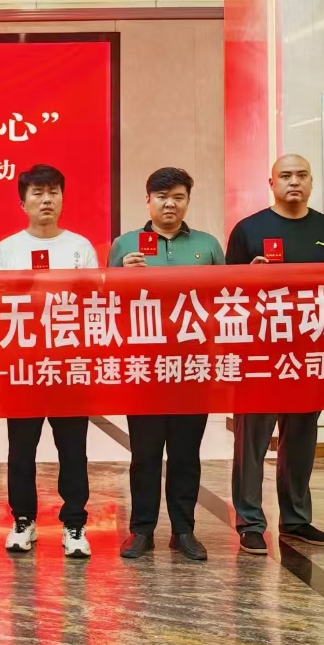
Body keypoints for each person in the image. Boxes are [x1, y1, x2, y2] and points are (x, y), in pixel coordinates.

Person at [225, 154, 324, 555]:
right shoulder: (249, 229)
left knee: (301, 438)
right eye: (286, 175)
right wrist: (249, 277)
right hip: (259, 352)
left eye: (302, 175)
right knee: (252, 442)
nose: (294, 182)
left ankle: (295, 519)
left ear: (311, 182)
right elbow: (226, 293)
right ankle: (250, 521)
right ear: (271, 183)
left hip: (308, 351)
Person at [108, 168, 224, 562]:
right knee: (144, 454)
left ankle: (183, 530)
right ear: (148, 201)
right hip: (144, 368)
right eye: (161, 197)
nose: (170, 204)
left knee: (186, 454)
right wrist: (122, 276)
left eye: (178, 196)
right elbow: (105, 301)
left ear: (188, 200)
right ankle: (141, 530)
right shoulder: (125, 244)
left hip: (193, 367)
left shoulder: (207, 246)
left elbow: (225, 299)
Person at [0, 164, 96, 559]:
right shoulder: (7, 249)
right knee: (21, 448)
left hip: (69, 363)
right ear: (23, 203)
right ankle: (23, 520)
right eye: (37, 192)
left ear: (63, 198)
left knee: (73, 449)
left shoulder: (81, 247)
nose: (46, 199)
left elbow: (93, 302)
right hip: (24, 364)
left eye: (53, 192)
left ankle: (74, 523)